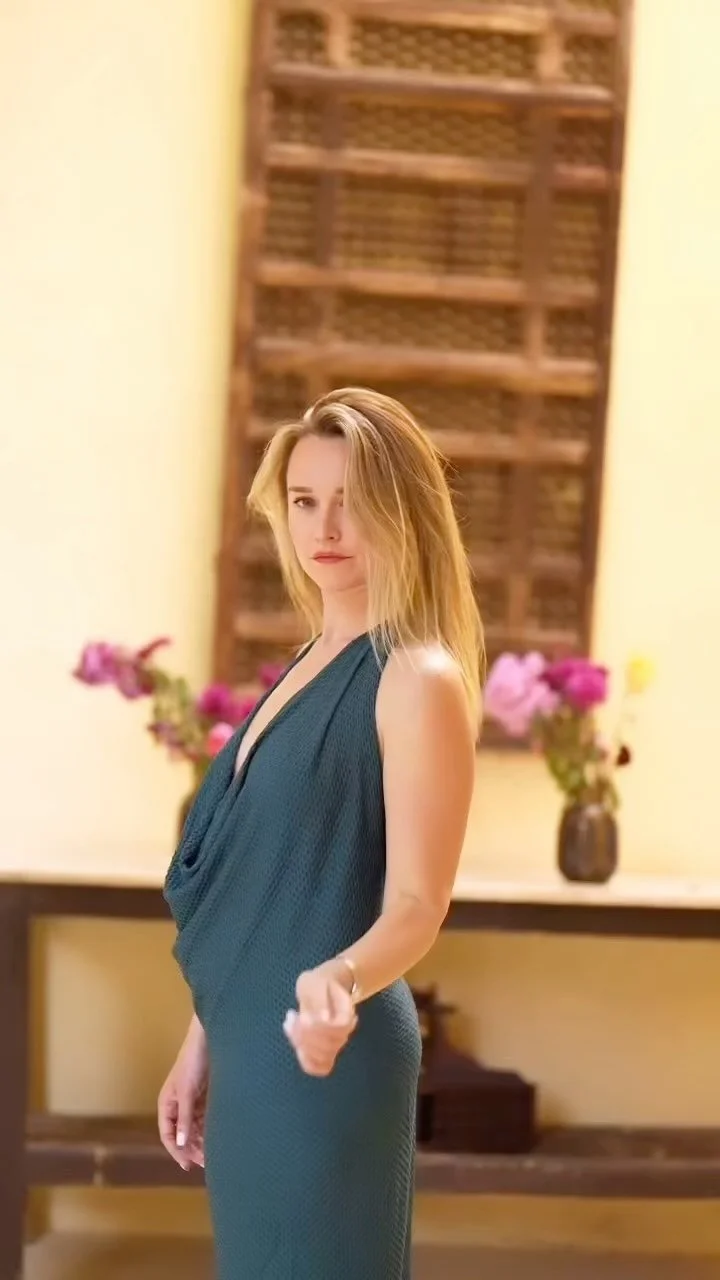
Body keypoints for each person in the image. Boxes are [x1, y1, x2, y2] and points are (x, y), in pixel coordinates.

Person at [158, 387, 483, 1279]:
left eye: (353, 500)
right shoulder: (306, 663)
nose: (325, 527)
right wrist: (202, 1040)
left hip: (330, 1059)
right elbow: (260, 890)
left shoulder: (416, 677)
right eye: (305, 500)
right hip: (252, 1051)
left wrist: (336, 983)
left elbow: (417, 903)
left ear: (403, 510)